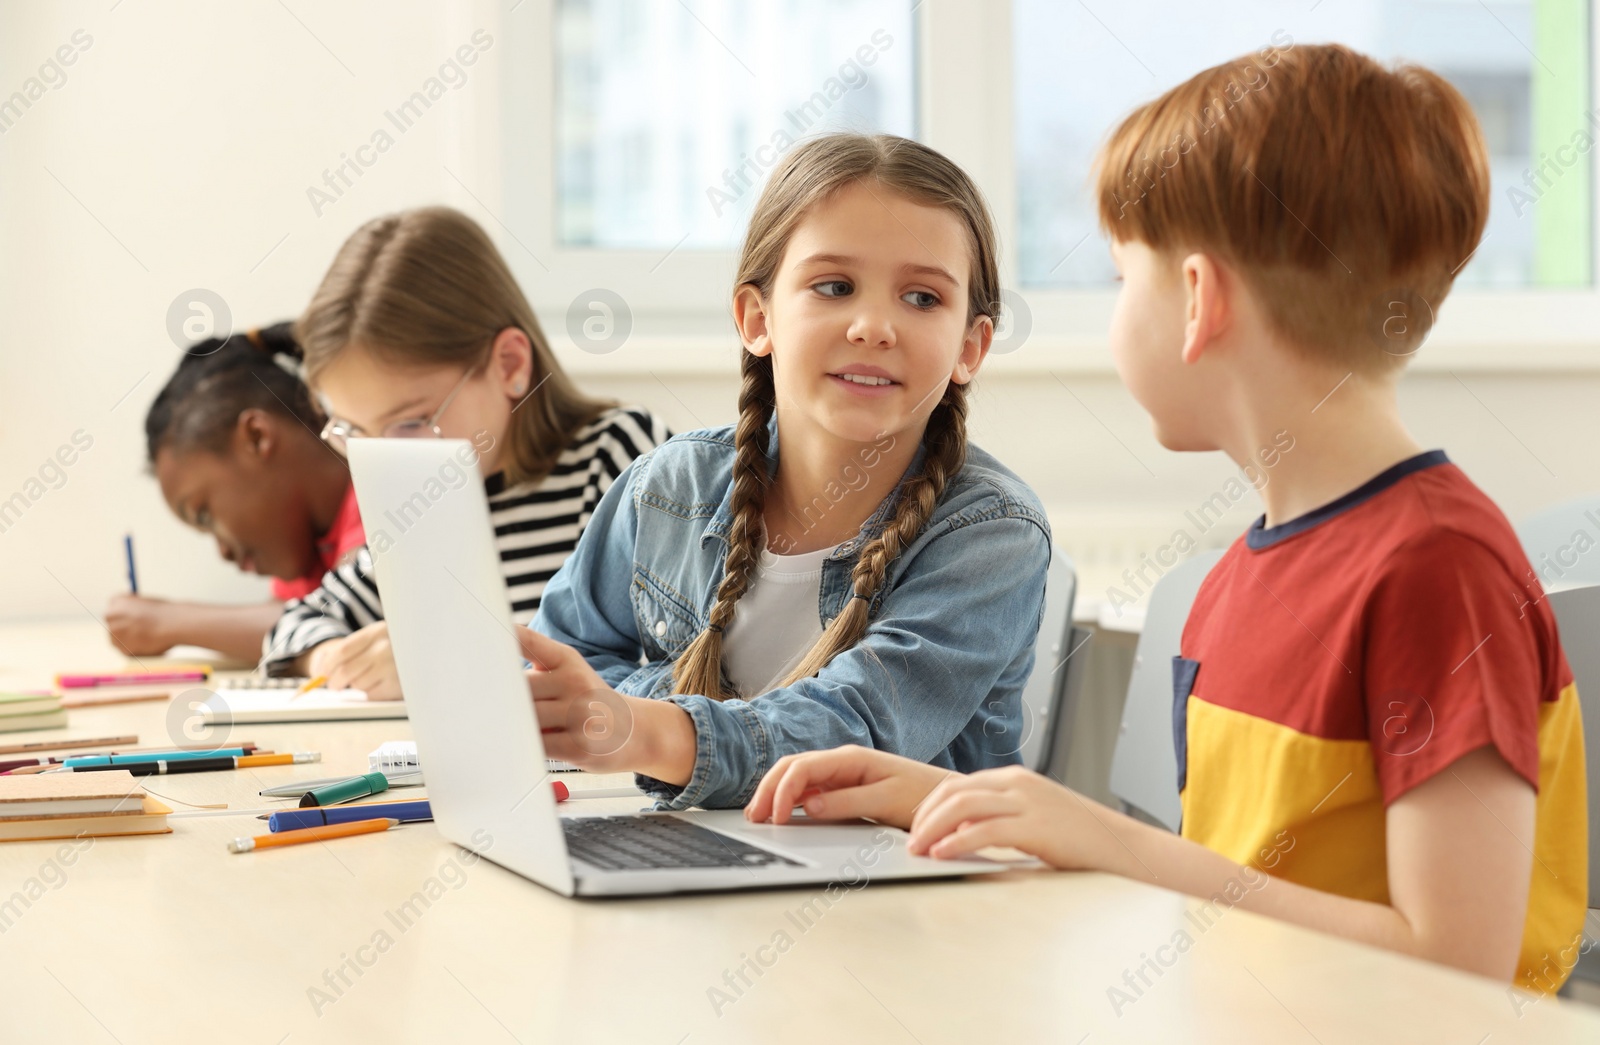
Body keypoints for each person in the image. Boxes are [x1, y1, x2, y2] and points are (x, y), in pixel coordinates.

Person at [746, 45, 1588, 995]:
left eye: (1120, 282)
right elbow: (1241, 894)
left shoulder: (1440, 568)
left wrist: (1103, 839)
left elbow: (1455, 965)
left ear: (1196, 301)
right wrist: (957, 796)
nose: (1115, 318)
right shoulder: (1241, 576)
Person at [523, 133, 1052, 810]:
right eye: (834, 286)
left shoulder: (991, 532)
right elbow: (561, 665)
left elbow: (857, 736)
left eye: (922, 298)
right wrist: (639, 721)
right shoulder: (667, 487)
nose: (874, 326)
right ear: (756, 317)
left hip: (906, 892)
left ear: (970, 347)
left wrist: (648, 727)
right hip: (702, 856)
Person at [260, 206, 668, 700]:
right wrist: (332, 657)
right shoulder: (419, 504)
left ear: (510, 365)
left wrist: (442, 660)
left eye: (409, 422)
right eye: (354, 431)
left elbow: (675, 669)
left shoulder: (621, 457)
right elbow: (296, 622)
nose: (383, 458)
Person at [107, 323, 363, 661]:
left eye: (204, 514)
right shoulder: (311, 549)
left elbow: (342, 619)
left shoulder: (379, 491)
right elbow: (289, 613)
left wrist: (169, 623)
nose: (223, 552)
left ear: (256, 437)